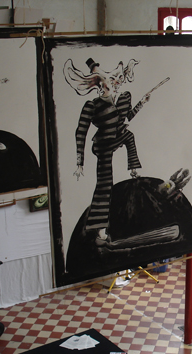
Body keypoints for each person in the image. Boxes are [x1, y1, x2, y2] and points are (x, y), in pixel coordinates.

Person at [65, 58, 151, 244]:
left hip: (117, 137)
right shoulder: (92, 105)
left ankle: (133, 169)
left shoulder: (121, 100)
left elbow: (127, 117)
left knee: (129, 135)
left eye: (115, 80)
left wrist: (142, 103)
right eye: (110, 81)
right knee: (104, 184)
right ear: (100, 86)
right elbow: (81, 132)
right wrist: (80, 162)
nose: (115, 83)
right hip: (103, 146)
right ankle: (100, 229)